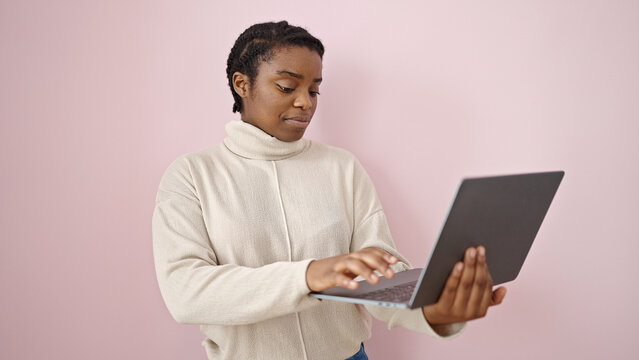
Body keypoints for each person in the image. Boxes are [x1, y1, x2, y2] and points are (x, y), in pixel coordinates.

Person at [152, 20, 507, 360]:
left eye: (314, 89)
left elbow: (380, 274)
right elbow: (186, 292)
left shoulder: (342, 167)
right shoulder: (191, 176)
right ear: (242, 84)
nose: (306, 102)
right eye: (288, 87)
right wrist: (309, 275)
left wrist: (436, 310)